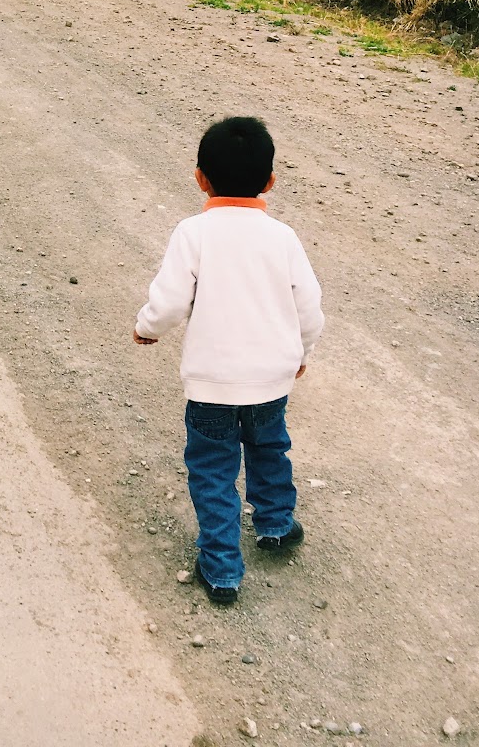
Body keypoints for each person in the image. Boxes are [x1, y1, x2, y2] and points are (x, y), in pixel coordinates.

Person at [133, 116, 323, 605]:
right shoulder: (283, 237)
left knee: (214, 468)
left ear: (200, 178)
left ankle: (221, 568)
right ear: (270, 181)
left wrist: (147, 328)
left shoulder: (193, 233)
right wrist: (301, 353)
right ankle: (276, 525)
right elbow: (309, 307)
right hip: (270, 380)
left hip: (212, 384)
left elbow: (170, 301)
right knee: (269, 448)